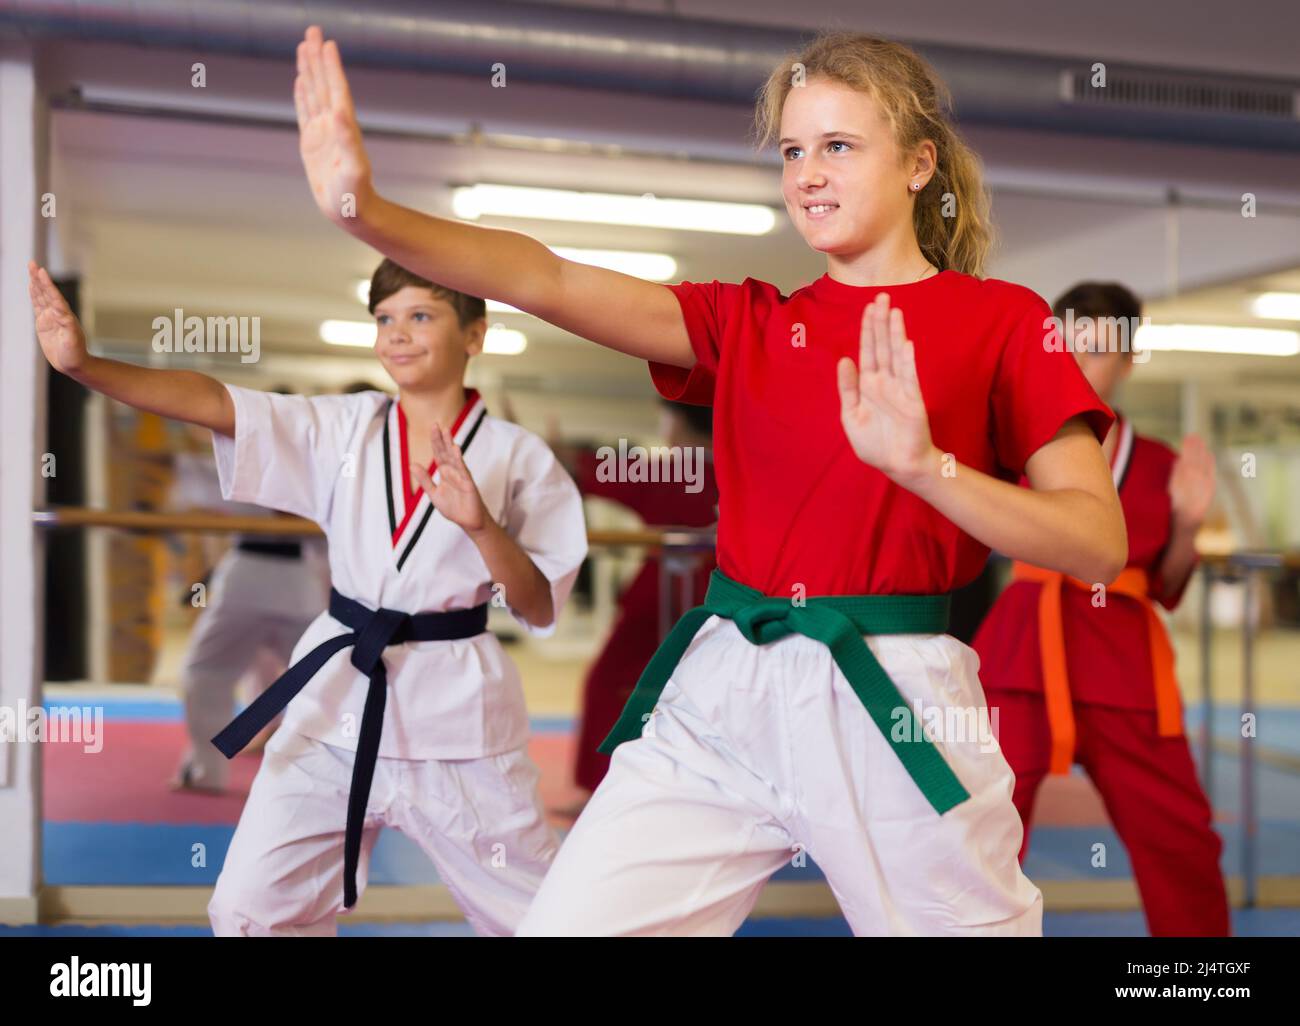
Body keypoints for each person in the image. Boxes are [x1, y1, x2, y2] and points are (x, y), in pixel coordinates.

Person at [292, 26, 1125, 936]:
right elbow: (547, 276)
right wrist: (362, 211)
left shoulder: (1003, 321)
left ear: (921, 164)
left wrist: (931, 470)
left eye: (839, 146)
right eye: (795, 151)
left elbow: (1095, 539)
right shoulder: (748, 323)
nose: (807, 172)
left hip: (895, 695)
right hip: (724, 682)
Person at [27, 256, 588, 935]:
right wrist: (88, 367)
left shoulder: (518, 457)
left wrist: (480, 525)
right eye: (384, 318)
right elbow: (213, 401)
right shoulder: (342, 428)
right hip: (335, 707)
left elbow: (535, 604)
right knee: (249, 909)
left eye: (421, 315)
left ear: (476, 335)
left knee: (548, 924)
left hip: (457, 723)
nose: (397, 334)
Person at [972, 281, 1229, 936]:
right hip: (1022, 658)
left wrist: (1186, 526)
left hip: (1126, 667)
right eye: (1070, 343)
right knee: (980, 833)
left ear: (1130, 359)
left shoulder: (1161, 465)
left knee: (1182, 838)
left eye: (1102, 348)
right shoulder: (1006, 443)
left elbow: (1166, 586)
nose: (1083, 360)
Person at [552, 399, 718, 811]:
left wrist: (561, 458)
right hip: (725, 601)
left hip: (662, 599)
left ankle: (599, 790)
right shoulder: (739, 468)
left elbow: (591, 473)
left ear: (677, 421)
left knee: (610, 684)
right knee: (710, 694)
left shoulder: (677, 469)